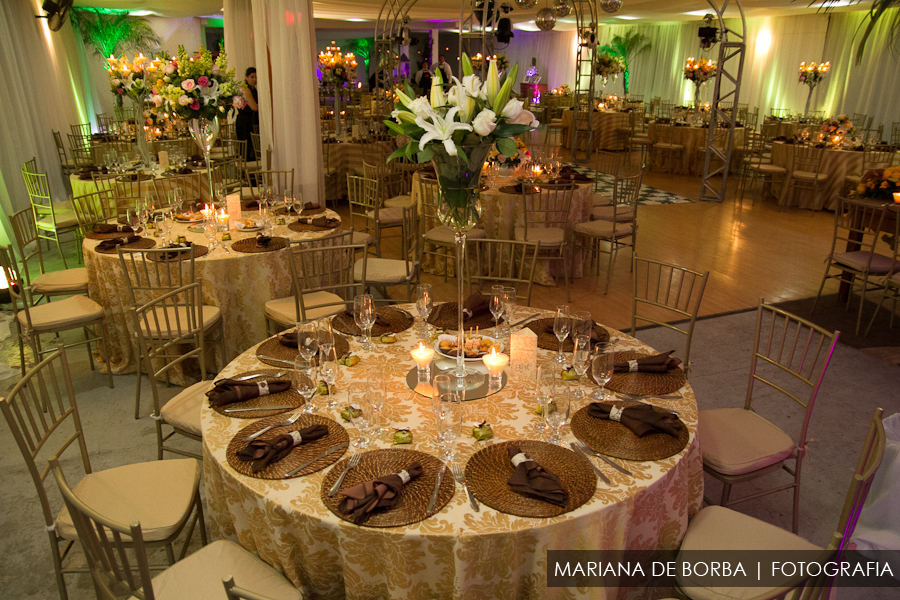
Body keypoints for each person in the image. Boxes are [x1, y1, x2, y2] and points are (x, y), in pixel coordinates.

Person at [235, 67, 259, 162]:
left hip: (250, 121)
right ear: (246, 77)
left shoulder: (253, 89)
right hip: (244, 123)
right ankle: (246, 173)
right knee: (246, 149)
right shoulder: (246, 89)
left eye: (256, 77)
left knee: (251, 147)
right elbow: (254, 107)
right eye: (252, 77)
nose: (254, 80)